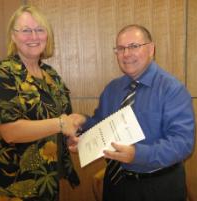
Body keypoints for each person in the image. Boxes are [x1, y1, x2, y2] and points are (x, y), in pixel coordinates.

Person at [72, 24, 195, 201]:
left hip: (158, 187)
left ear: (151, 49)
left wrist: (137, 155)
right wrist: (82, 128)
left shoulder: (172, 89)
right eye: (120, 48)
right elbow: (101, 126)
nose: (126, 54)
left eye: (134, 46)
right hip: (116, 184)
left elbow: (182, 143)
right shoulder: (112, 89)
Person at [0, 5, 85, 201]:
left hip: (47, 181)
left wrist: (70, 137)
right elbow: (10, 131)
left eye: (39, 30)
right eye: (26, 30)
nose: (34, 36)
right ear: (13, 36)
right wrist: (61, 124)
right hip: (12, 185)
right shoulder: (2, 73)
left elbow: (61, 119)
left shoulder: (51, 76)